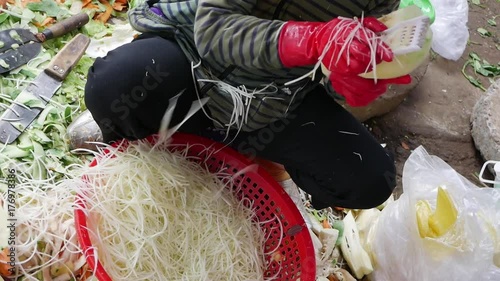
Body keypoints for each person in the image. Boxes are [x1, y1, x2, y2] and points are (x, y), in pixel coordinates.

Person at [84, 0, 411, 210]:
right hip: (195, 57)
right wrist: (309, 41)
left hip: (276, 98)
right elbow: (215, 29)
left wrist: (350, 74)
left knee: (371, 180)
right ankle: (150, 140)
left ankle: (243, 156)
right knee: (116, 86)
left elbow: (336, 62)